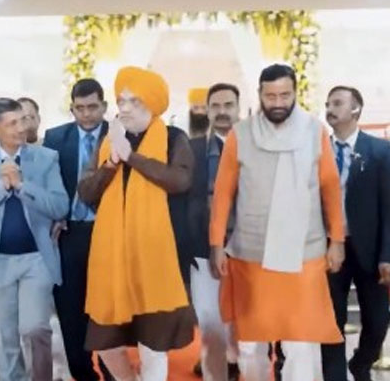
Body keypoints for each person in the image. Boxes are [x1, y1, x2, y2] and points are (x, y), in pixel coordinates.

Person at [210, 64, 344, 381]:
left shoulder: (314, 131)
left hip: (304, 253)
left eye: (285, 95)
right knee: (250, 344)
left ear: (295, 93)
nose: (278, 102)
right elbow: (223, 194)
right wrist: (216, 244)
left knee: (302, 342)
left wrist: (337, 239)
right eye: (271, 96)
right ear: (259, 95)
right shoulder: (240, 134)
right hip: (251, 253)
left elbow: (330, 187)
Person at [78, 66, 196, 381]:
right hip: (113, 257)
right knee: (105, 343)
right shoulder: (110, 140)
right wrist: (112, 162)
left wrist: (133, 157)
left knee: (152, 345)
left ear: (152, 105)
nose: (125, 108)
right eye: (121, 100)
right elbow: (86, 191)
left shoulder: (173, 138)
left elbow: (180, 180)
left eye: (134, 101)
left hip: (156, 255)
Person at [0, 98, 69, 381]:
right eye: (12, 123)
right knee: (3, 340)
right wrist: (0, 188)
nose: (21, 128)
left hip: (37, 259)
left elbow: (60, 207)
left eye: (22, 120)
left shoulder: (46, 158)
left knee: (35, 329)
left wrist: (21, 185)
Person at [43, 79, 113, 381]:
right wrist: (54, 217)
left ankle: (113, 371)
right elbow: (46, 182)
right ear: (72, 108)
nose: (86, 114)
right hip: (69, 232)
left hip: (108, 232)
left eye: (92, 107)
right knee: (70, 308)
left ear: (104, 106)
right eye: (79, 108)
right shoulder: (56, 138)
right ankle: (83, 373)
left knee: (109, 307)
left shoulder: (119, 136)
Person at [321, 86, 390, 381]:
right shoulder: (317, 151)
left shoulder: (380, 151)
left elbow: (388, 207)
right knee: (330, 323)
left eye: (337, 103)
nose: (330, 109)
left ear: (356, 109)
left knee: (378, 320)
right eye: (328, 104)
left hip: (369, 251)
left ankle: (361, 363)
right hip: (328, 248)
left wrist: (387, 255)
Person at [188, 83, 241, 381]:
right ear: (206, 111)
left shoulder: (254, 145)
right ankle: (215, 366)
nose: (222, 112)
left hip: (247, 245)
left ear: (238, 108)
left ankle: (233, 359)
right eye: (216, 106)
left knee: (243, 315)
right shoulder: (192, 149)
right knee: (208, 315)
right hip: (202, 246)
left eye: (228, 105)